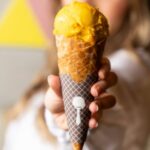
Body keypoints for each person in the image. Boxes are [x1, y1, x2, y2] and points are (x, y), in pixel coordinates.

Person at [3, 0, 150, 150]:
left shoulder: (135, 66)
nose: (84, 1)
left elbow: (117, 102)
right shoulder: (54, 65)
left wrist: (77, 114)